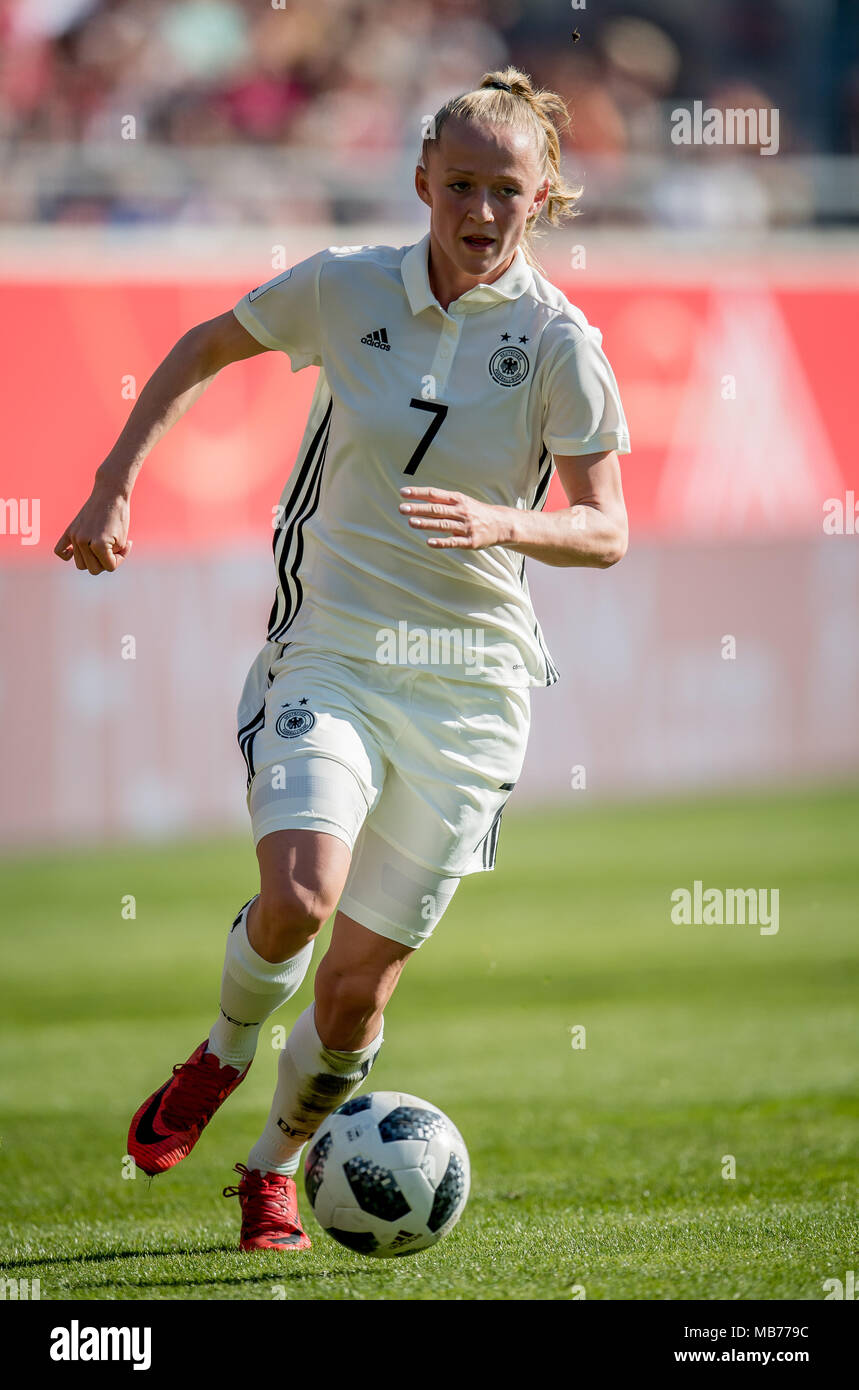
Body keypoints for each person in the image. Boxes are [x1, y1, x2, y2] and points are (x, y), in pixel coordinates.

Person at [54, 68, 631, 1252]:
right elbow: (201, 347)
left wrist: (507, 523)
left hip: (472, 688)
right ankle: (218, 1055)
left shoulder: (562, 344)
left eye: (504, 191)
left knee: (358, 989)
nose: (478, 209)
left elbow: (607, 527)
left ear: (543, 200)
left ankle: (273, 1165)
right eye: (458, 183)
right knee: (299, 897)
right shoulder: (343, 287)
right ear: (422, 181)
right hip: (330, 651)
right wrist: (114, 482)